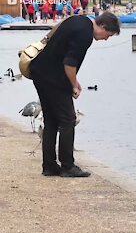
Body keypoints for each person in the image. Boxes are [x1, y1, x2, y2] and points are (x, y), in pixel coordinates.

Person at [29, 12, 121, 177]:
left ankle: (49, 165)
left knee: (51, 120)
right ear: (103, 27)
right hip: (53, 76)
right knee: (67, 119)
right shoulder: (85, 35)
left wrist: (74, 81)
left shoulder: (79, 20)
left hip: (40, 71)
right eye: (108, 35)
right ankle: (67, 166)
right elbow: (69, 64)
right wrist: (73, 85)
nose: (106, 39)